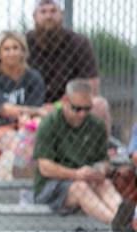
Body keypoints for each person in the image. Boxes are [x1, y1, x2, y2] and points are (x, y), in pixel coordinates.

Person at [34, 80, 131, 231]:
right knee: (81, 187)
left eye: (87, 109)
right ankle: (120, 224)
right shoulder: (50, 123)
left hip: (87, 180)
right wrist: (76, 174)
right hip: (52, 185)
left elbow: (103, 160)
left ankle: (127, 220)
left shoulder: (96, 125)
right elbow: (45, 168)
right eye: (77, 109)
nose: (82, 114)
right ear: (65, 102)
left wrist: (100, 169)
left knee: (104, 184)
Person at [26, 0, 109, 133]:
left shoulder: (79, 43)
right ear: (34, 16)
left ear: (62, 14)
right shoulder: (23, 43)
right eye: (43, 11)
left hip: (70, 105)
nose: (48, 16)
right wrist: (36, 109)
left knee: (99, 104)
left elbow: (91, 86)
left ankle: (97, 152)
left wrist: (58, 105)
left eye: (53, 11)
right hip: (31, 108)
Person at [0, 31, 46, 154]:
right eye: (6, 49)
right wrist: (35, 112)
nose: (12, 53)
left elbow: (35, 108)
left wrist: (29, 116)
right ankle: (6, 172)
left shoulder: (33, 77)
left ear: (23, 52)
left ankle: (2, 172)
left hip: (24, 126)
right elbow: (4, 110)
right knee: (19, 144)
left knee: (32, 138)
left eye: (16, 48)